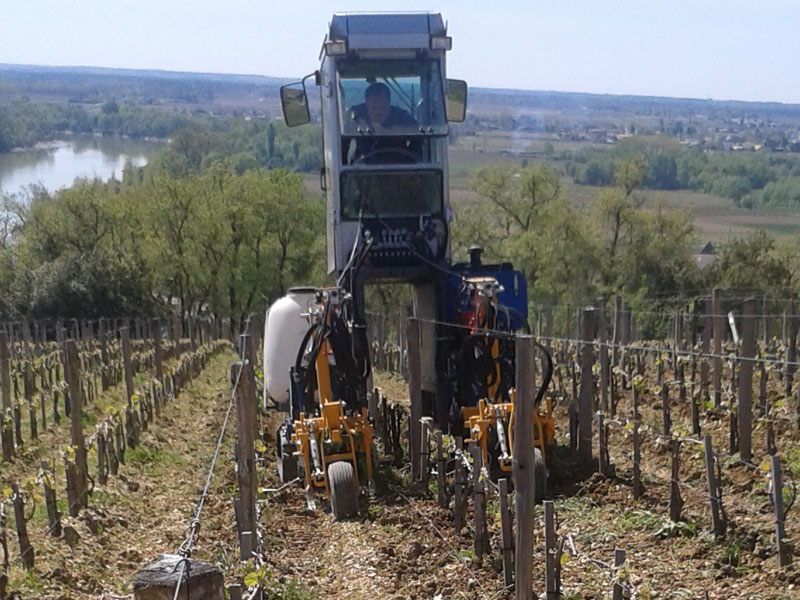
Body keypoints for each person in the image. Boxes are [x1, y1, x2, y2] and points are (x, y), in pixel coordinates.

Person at [347, 82, 421, 163]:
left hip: (400, 170)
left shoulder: (402, 118)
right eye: (374, 107)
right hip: (362, 171)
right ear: (366, 104)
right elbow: (341, 141)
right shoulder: (355, 117)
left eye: (383, 107)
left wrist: (409, 163)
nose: (379, 112)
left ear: (389, 103)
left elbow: (419, 139)